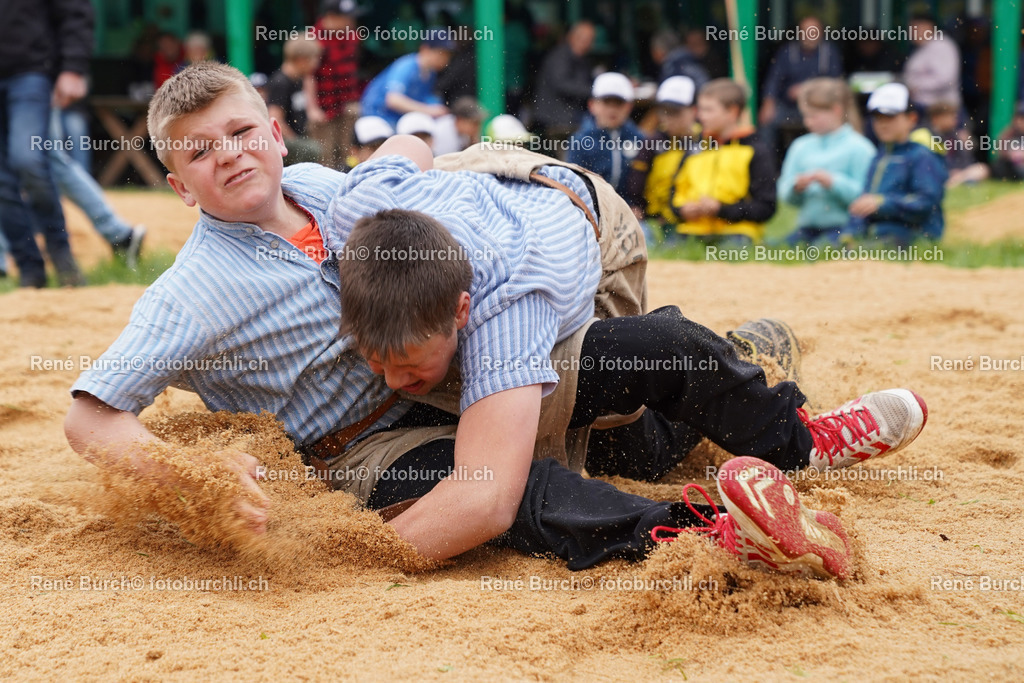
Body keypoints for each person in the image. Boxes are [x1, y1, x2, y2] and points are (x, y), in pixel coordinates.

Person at [65, 62, 931, 581]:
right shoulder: (188, 293)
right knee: (516, 498)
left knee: (659, 360)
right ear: (177, 186)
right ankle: (714, 535)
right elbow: (90, 413)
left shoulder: (332, 191)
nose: (229, 155)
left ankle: (797, 439)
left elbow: (403, 156)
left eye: (240, 131)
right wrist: (192, 480)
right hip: (376, 440)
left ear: (277, 133)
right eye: (199, 151)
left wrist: (421, 150)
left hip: (460, 361)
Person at [330, 171, 927, 578]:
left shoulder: (511, 311)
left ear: (461, 312)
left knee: (647, 385)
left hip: (593, 233)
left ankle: (794, 438)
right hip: (484, 192)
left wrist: (345, 561)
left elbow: (487, 498)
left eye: (408, 364)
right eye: (374, 360)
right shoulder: (353, 214)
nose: (391, 379)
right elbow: (403, 145)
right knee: (585, 467)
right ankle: (711, 534)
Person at [1, 0, 92, 288]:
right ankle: (30, 269)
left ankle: (61, 253)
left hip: (29, 72)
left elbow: (75, 9)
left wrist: (73, 67)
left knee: (28, 158)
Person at [670, 78, 776, 246]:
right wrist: (682, 210)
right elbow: (674, 197)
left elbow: (766, 207)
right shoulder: (695, 149)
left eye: (708, 110)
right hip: (691, 231)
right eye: (700, 109)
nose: (700, 116)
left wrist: (721, 209)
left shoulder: (755, 150)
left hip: (737, 233)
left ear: (732, 112)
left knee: (732, 250)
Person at [844, 83, 947, 246]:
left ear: (911, 119)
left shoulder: (922, 156)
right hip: (879, 233)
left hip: (914, 235)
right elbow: (866, 201)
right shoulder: (878, 156)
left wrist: (883, 203)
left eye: (890, 117)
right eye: (877, 118)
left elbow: (926, 202)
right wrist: (852, 231)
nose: (883, 124)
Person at [777, 78, 876, 245]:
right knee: (774, 249)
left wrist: (834, 183)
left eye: (813, 116)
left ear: (836, 110)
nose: (808, 122)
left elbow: (865, 196)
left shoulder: (860, 148)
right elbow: (784, 193)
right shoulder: (800, 146)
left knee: (823, 249)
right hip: (806, 228)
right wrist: (796, 187)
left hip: (846, 227)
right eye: (805, 116)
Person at [622, 75, 699, 243]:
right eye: (664, 111)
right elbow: (636, 181)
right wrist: (637, 207)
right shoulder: (651, 142)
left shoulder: (705, 141)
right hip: (657, 220)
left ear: (693, 111)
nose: (668, 118)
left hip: (695, 219)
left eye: (675, 112)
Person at [759, 16, 844, 157]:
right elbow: (774, 79)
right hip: (789, 107)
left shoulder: (829, 52)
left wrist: (808, 89)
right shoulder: (787, 51)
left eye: (813, 31)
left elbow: (837, 84)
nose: (809, 35)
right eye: (805, 31)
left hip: (819, 107)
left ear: (821, 33)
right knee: (768, 122)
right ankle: (768, 166)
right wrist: (768, 103)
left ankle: (828, 159)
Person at [567, 73, 646, 203]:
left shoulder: (639, 139)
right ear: (592, 105)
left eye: (618, 103)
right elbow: (575, 185)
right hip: (593, 210)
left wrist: (637, 205)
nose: (612, 109)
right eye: (606, 102)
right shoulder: (580, 141)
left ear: (629, 106)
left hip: (629, 210)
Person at [308, 0, 362, 169]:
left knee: (347, 157)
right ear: (331, 17)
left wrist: (354, 100)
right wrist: (312, 108)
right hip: (324, 109)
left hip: (347, 106)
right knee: (325, 159)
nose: (351, 22)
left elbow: (352, 69)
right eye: (346, 18)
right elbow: (308, 76)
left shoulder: (351, 34)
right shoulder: (314, 39)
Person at [359, 34, 454, 128]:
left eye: (448, 55)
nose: (445, 60)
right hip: (377, 117)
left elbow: (426, 98)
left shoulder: (431, 73)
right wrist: (428, 110)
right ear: (425, 49)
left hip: (397, 120)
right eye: (441, 53)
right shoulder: (407, 65)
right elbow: (393, 100)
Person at [532, 21, 596, 150]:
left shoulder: (582, 59)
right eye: (581, 38)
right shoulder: (560, 56)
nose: (586, 43)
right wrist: (595, 91)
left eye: (589, 40)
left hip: (572, 117)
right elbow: (562, 84)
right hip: (556, 118)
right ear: (571, 37)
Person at [266, 36, 323, 166]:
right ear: (301, 60)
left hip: (299, 136)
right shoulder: (280, 82)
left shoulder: (298, 78)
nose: (316, 64)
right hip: (284, 141)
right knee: (313, 150)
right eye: (314, 59)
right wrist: (298, 142)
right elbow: (275, 119)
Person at [903, 13, 961, 111]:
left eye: (916, 28)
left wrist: (916, 86)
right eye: (911, 29)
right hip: (923, 107)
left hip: (942, 110)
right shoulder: (922, 47)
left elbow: (945, 79)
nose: (912, 33)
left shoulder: (942, 46)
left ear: (929, 27)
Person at [926, 101, 989, 188]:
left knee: (982, 168)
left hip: (959, 172)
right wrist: (949, 170)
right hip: (940, 172)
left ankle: (957, 181)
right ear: (936, 118)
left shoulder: (954, 135)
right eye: (950, 117)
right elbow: (932, 161)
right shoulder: (926, 135)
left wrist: (959, 170)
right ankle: (960, 181)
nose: (955, 121)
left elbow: (965, 159)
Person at [990, 103, 1024, 181]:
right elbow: (1002, 152)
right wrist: (1012, 154)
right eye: (1021, 119)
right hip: (1012, 166)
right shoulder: (1008, 134)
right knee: (998, 166)